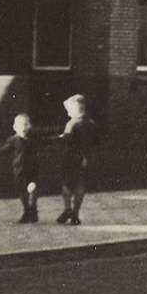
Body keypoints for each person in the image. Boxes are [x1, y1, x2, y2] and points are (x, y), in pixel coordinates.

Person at [0, 112, 44, 223]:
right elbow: (4, 149)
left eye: (26, 124)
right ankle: (27, 210)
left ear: (30, 125)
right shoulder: (13, 140)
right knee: (22, 191)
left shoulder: (34, 138)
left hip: (32, 169)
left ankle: (33, 208)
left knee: (32, 187)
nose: (23, 127)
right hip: (19, 170)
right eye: (20, 125)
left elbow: (45, 142)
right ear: (15, 127)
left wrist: (60, 137)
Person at [56, 94, 100, 225]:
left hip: (71, 160)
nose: (68, 112)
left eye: (69, 109)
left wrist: (60, 138)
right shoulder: (92, 124)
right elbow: (96, 142)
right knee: (80, 187)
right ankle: (75, 214)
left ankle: (67, 209)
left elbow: (66, 141)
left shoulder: (72, 124)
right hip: (85, 161)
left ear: (76, 109)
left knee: (66, 187)